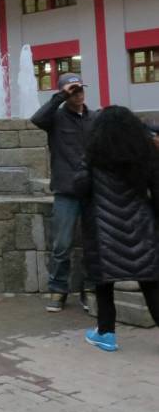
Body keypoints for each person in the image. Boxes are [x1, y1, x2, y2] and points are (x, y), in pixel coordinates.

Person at [73, 106, 159, 352]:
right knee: (151, 284)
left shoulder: (92, 156)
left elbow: (79, 188)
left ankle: (106, 334)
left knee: (104, 285)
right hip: (142, 229)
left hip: (104, 233)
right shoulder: (146, 155)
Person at [31, 72, 97, 312]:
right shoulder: (56, 119)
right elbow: (37, 119)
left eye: (80, 89)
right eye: (73, 90)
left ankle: (90, 289)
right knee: (62, 244)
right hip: (66, 191)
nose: (78, 94)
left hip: (92, 191)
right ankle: (58, 290)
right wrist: (60, 96)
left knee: (94, 243)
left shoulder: (95, 118)